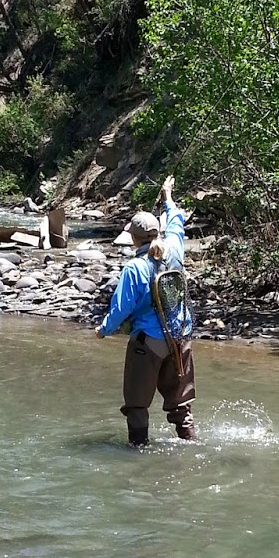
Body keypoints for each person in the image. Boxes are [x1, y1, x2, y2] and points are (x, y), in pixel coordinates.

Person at [95, 175, 196, 446]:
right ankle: (190, 443)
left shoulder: (134, 268)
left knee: (137, 406)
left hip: (148, 344)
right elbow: (176, 220)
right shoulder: (175, 248)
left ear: (133, 237)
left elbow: (120, 308)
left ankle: (137, 455)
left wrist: (103, 330)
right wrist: (168, 198)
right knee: (180, 405)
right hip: (181, 338)